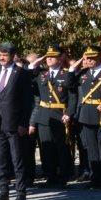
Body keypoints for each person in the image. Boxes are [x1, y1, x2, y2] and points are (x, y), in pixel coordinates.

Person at [0, 42, 34, 200]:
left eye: (5, 55)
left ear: (13, 56)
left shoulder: (21, 74)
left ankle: (20, 192)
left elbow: (27, 102)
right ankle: (3, 191)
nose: (1, 57)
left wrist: (23, 123)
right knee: (0, 160)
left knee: (17, 159)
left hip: (14, 123)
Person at [73, 46, 101, 190]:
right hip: (86, 114)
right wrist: (77, 64)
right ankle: (94, 178)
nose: (89, 60)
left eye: (92, 57)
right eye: (87, 57)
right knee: (91, 149)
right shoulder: (83, 74)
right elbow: (68, 83)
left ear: (99, 57)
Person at [30, 45, 77, 189]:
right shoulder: (41, 74)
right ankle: (50, 177)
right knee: (46, 148)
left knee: (61, 148)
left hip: (60, 116)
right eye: (48, 56)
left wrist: (69, 114)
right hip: (44, 116)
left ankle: (63, 178)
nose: (49, 59)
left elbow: (73, 96)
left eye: (53, 56)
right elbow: (30, 69)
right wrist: (41, 59)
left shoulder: (66, 74)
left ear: (60, 58)